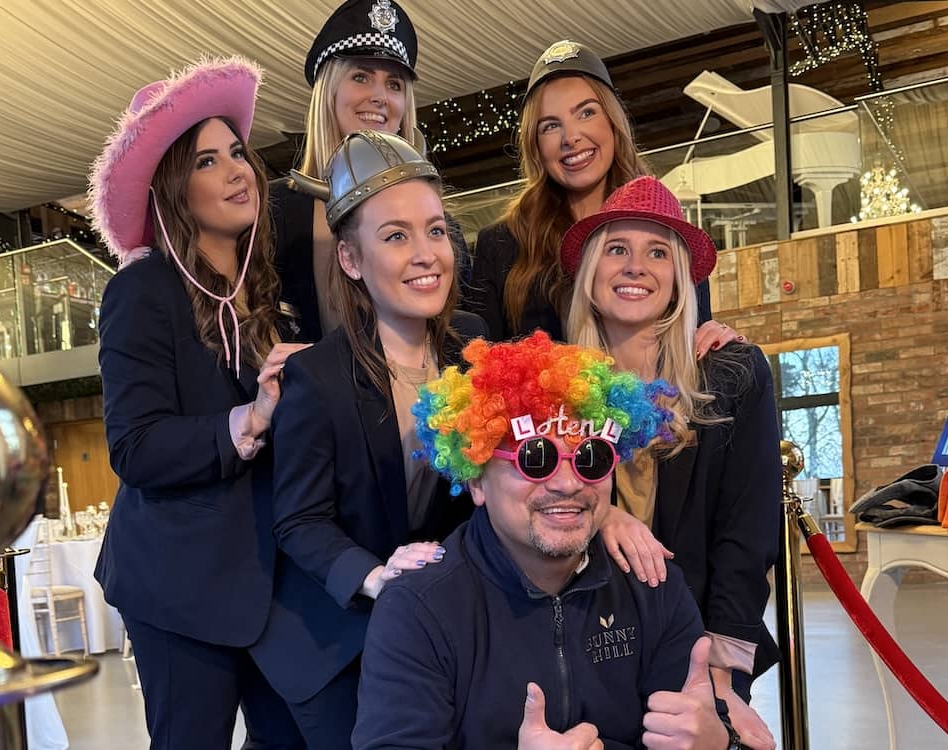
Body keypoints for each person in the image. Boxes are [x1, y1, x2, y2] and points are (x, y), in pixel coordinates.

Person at [353, 333, 739, 750]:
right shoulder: (418, 608)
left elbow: (700, 724)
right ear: (476, 480)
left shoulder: (654, 587)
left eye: (592, 457)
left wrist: (721, 742)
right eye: (536, 458)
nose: (568, 483)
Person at [89, 57, 306, 748]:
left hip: (274, 585)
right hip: (177, 585)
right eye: (208, 161)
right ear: (174, 190)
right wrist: (249, 420)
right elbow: (135, 447)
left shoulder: (270, 292)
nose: (238, 170)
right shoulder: (141, 290)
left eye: (238, 153)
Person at [249, 130, 486, 748]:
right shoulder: (317, 376)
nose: (426, 254)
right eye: (396, 236)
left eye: (435, 231)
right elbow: (299, 520)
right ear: (352, 260)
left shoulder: (475, 350)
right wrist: (376, 576)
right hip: (335, 641)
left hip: (435, 630)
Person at [563, 175, 780, 750]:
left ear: (681, 278)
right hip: (584, 644)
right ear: (591, 273)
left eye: (658, 252)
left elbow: (746, 536)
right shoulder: (556, 381)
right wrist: (601, 512)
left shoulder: (732, 374)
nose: (636, 267)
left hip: (696, 647)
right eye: (617, 249)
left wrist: (722, 672)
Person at [466, 40, 736, 354]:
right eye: (550, 126)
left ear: (612, 120)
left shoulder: (666, 226)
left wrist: (717, 340)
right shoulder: (501, 244)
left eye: (586, 112)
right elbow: (479, 363)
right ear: (535, 144)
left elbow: (694, 342)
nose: (570, 137)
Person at [271, 0, 419, 342]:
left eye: (394, 84)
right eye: (361, 77)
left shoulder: (434, 214)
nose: (380, 96)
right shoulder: (272, 210)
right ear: (330, 92)